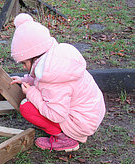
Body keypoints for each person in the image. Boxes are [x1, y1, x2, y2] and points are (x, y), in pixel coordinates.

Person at [10, 13, 106, 152]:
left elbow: (56, 115)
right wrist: (25, 79)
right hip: (90, 115)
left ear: (34, 57)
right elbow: (41, 78)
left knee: (27, 107)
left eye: (24, 63)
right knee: (36, 101)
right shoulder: (55, 63)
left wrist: (31, 93)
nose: (24, 67)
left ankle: (65, 140)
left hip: (81, 123)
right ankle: (66, 132)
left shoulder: (53, 82)